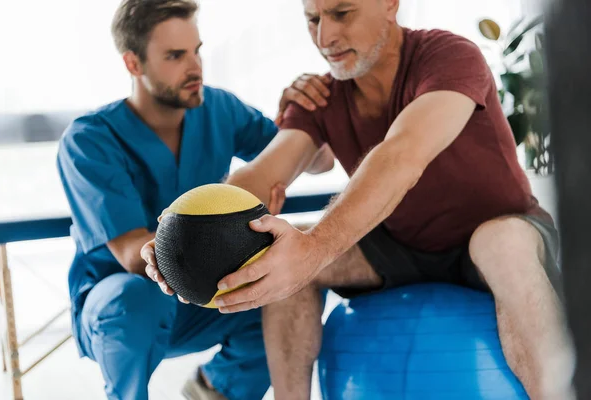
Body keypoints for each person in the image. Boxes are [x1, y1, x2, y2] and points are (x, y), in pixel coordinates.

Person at [144, 0, 576, 399]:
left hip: (501, 229)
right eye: (312, 19)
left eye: (342, 13)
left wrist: (314, 249)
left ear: (390, 4)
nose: (324, 37)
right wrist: (181, 237)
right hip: (399, 246)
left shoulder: (449, 57)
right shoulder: (320, 97)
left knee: (497, 242)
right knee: (277, 256)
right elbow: (262, 174)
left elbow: (401, 155)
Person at [56, 1, 332, 399]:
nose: (195, 67)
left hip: (203, 295)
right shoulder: (88, 141)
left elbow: (318, 161)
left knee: (288, 286)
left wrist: (298, 117)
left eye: (196, 50)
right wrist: (239, 233)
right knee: (135, 299)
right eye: (175, 56)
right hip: (121, 308)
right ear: (134, 64)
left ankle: (215, 389)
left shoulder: (220, 108)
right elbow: (137, 256)